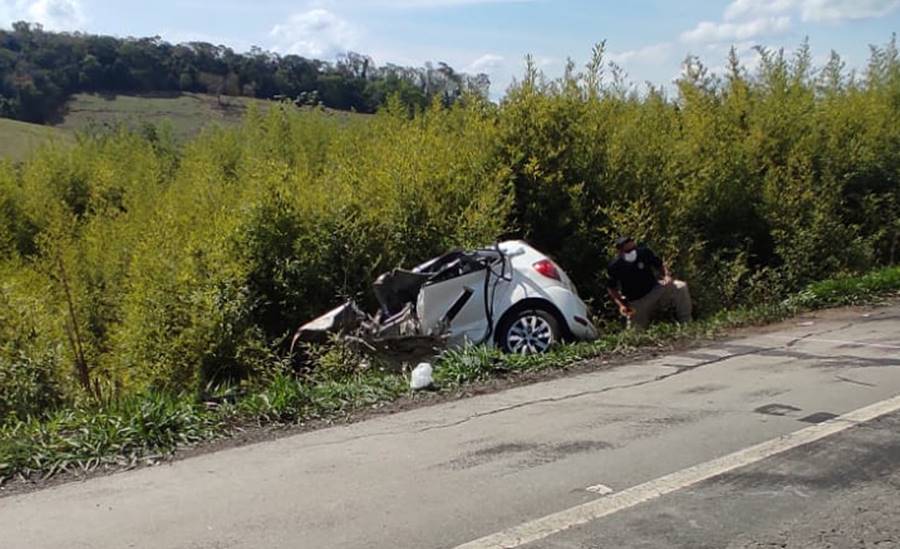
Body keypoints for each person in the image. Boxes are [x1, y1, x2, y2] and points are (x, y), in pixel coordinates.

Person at [606, 236, 692, 330]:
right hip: (637, 301)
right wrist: (621, 305)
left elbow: (660, 265)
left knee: (680, 287)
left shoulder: (644, 253)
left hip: (654, 290)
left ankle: (686, 323)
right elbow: (612, 288)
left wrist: (666, 276)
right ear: (620, 251)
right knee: (635, 333)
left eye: (633, 249)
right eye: (628, 251)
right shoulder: (615, 266)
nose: (632, 252)